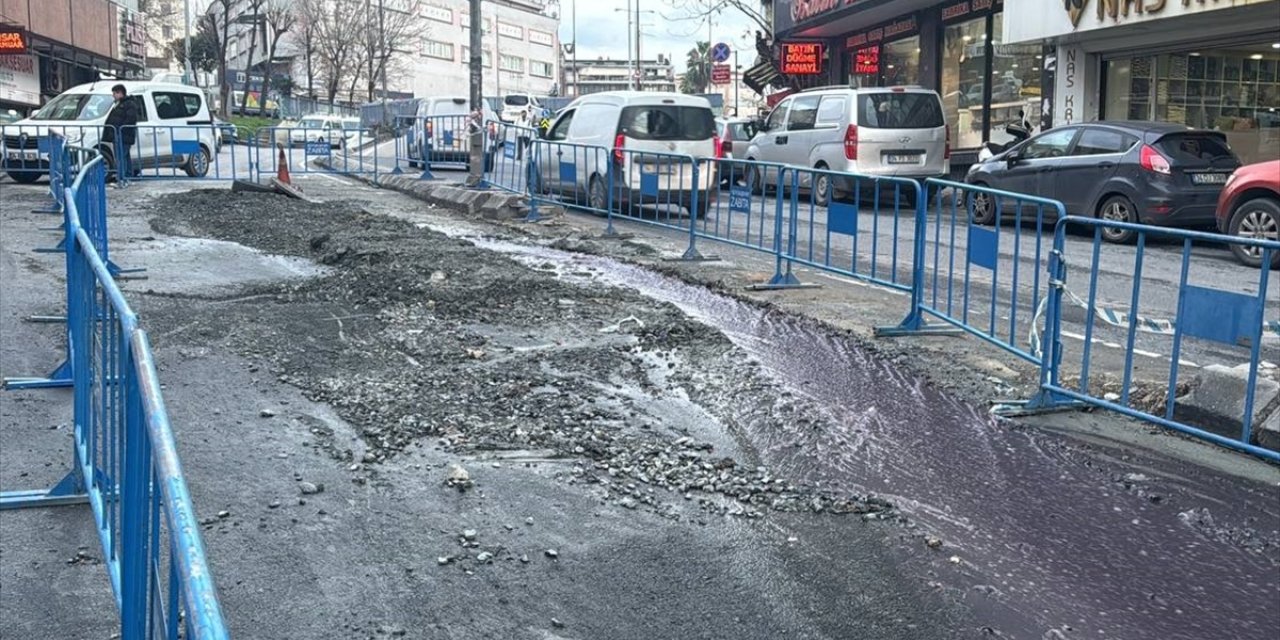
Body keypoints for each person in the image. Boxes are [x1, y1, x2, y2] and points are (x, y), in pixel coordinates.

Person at [103, 84, 138, 187]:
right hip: (119, 135)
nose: (113, 95)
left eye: (114, 93)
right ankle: (127, 178)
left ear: (120, 93)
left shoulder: (128, 104)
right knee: (124, 157)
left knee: (121, 157)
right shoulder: (119, 104)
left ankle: (122, 179)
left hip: (123, 135)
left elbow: (130, 119)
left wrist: (119, 130)